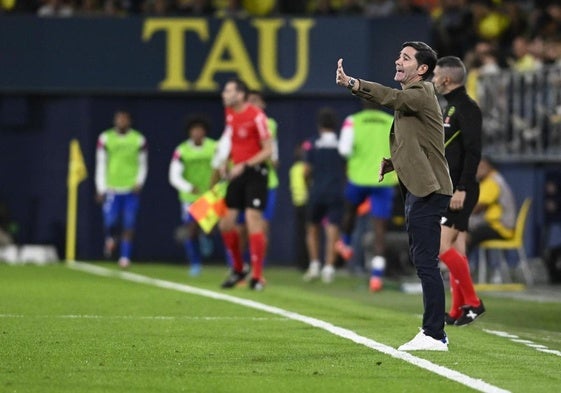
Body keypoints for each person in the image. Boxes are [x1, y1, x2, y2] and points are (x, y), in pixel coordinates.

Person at [336, 41, 453, 351]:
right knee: (422, 260)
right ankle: (433, 331)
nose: (397, 60)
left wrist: (354, 84)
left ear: (422, 69)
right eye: (398, 55)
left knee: (426, 262)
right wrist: (394, 162)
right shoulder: (416, 99)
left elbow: (390, 97)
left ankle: (434, 334)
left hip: (429, 189)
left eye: (406, 57)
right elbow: (422, 143)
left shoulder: (419, 93)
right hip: (422, 186)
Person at [432, 56, 486, 327]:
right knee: (457, 248)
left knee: (440, 247)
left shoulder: (467, 108)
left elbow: (473, 152)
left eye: (435, 75)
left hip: (460, 190)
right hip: (451, 188)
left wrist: (461, 188)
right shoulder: (452, 107)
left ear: (446, 79)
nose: (433, 80)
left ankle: (474, 303)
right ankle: (457, 309)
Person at [211, 78, 272, 291]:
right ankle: (239, 269)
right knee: (225, 224)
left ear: (240, 94)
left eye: (228, 91)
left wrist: (244, 165)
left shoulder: (257, 116)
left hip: (255, 173)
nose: (224, 94)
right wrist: (224, 164)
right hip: (236, 173)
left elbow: (268, 151)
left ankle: (257, 276)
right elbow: (233, 142)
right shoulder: (229, 114)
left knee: (252, 219)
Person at [336, 100, 398, 292]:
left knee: (350, 210)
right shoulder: (392, 121)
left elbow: (344, 150)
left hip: (359, 178)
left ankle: (345, 243)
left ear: (362, 103)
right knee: (380, 230)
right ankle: (376, 277)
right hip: (384, 180)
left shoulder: (352, 121)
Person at [95, 110, 148, 268]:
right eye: (119, 119)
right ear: (114, 121)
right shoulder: (105, 138)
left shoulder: (138, 139)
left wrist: (140, 181)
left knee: (129, 223)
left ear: (129, 121)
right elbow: (101, 163)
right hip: (111, 188)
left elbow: (143, 164)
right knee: (110, 222)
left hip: (131, 189)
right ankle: (111, 238)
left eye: (124, 119)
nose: (121, 122)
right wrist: (100, 188)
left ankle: (125, 257)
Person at [168, 115, 217, 276]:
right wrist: (188, 187)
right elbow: (173, 176)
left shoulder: (214, 147)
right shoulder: (182, 150)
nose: (197, 133)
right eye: (194, 130)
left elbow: (223, 167)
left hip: (210, 196)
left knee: (208, 229)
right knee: (191, 229)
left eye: (200, 129)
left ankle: (207, 237)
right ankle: (195, 263)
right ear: (189, 132)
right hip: (189, 197)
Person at [302, 107, 345, 284]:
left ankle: (314, 265)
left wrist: (309, 186)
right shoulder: (341, 143)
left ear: (319, 124)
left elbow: (305, 171)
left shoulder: (311, 143)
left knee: (312, 228)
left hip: (317, 191)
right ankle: (329, 268)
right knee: (332, 229)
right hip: (336, 191)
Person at [467, 157, 516, 255]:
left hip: (501, 228)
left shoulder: (492, 182)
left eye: (482, 166)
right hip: (497, 225)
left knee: (465, 236)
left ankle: (456, 267)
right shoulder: (491, 180)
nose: (478, 169)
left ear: (490, 167)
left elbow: (478, 208)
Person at [289, 143, 309, 271]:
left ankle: (301, 263)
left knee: (301, 234)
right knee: (307, 234)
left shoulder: (293, 169)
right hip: (305, 203)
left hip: (297, 204)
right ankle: (306, 263)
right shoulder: (304, 168)